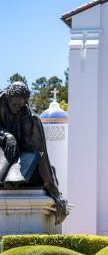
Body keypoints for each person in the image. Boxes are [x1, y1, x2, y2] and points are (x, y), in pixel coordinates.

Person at [0, 82, 68, 224]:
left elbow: (40, 152)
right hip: (3, 149)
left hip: (21, 158)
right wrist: (6, 135)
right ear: (8, 97)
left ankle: (40, 181)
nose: (16, 108)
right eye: (13, 104)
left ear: (25, 102)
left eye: (20, 105)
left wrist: (55, 193)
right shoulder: (1, 100)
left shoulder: (30, 118)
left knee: (31, 171)